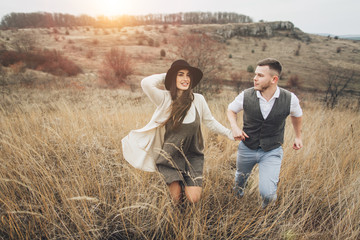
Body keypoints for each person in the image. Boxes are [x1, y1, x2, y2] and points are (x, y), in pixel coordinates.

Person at [122, 59, 234, 204]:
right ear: (173, 77)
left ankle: (184, 186)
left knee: (193, 199)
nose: (185, 79)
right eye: (180, 75)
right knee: (176, 200)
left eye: (188, 75)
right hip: (170, 157)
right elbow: (146, 83)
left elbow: (210, 122)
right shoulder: (165, 99)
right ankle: (177, 221)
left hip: (193, 156)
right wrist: (168, 75)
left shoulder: (198, 100)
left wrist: (230, 133)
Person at [227, 58, 303, 208]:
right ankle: (237, 200)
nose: (254, 78)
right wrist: (235, 127)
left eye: (260, 75)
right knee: (240, 180)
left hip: (272, 150)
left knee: (268, 194)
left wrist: (298, 136)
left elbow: (297, 115)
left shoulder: (290, 99)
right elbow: (231, 110)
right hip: (247, 147)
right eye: (255, 74)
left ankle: (265, 216)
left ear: (274, 79)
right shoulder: (246, 95)